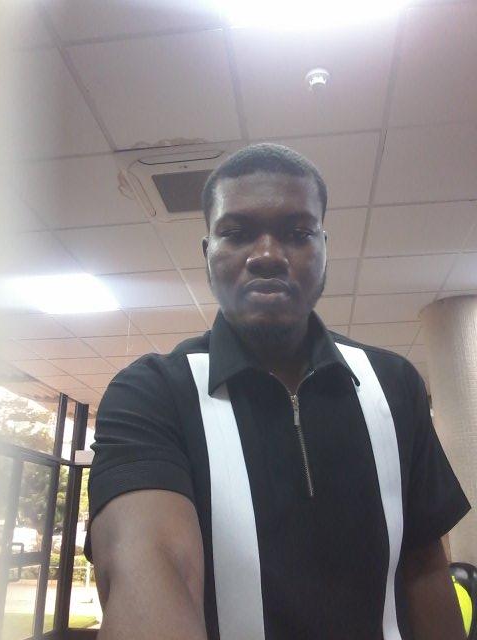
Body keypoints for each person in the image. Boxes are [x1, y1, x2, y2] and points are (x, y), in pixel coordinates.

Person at [84, 143, 470, 640]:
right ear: (207, 253)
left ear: (324, 248)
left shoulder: (395, 384)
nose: (266, 254)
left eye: (297, 233)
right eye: (236, 233)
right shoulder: (151, 394)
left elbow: (425, 568)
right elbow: (152, 567)